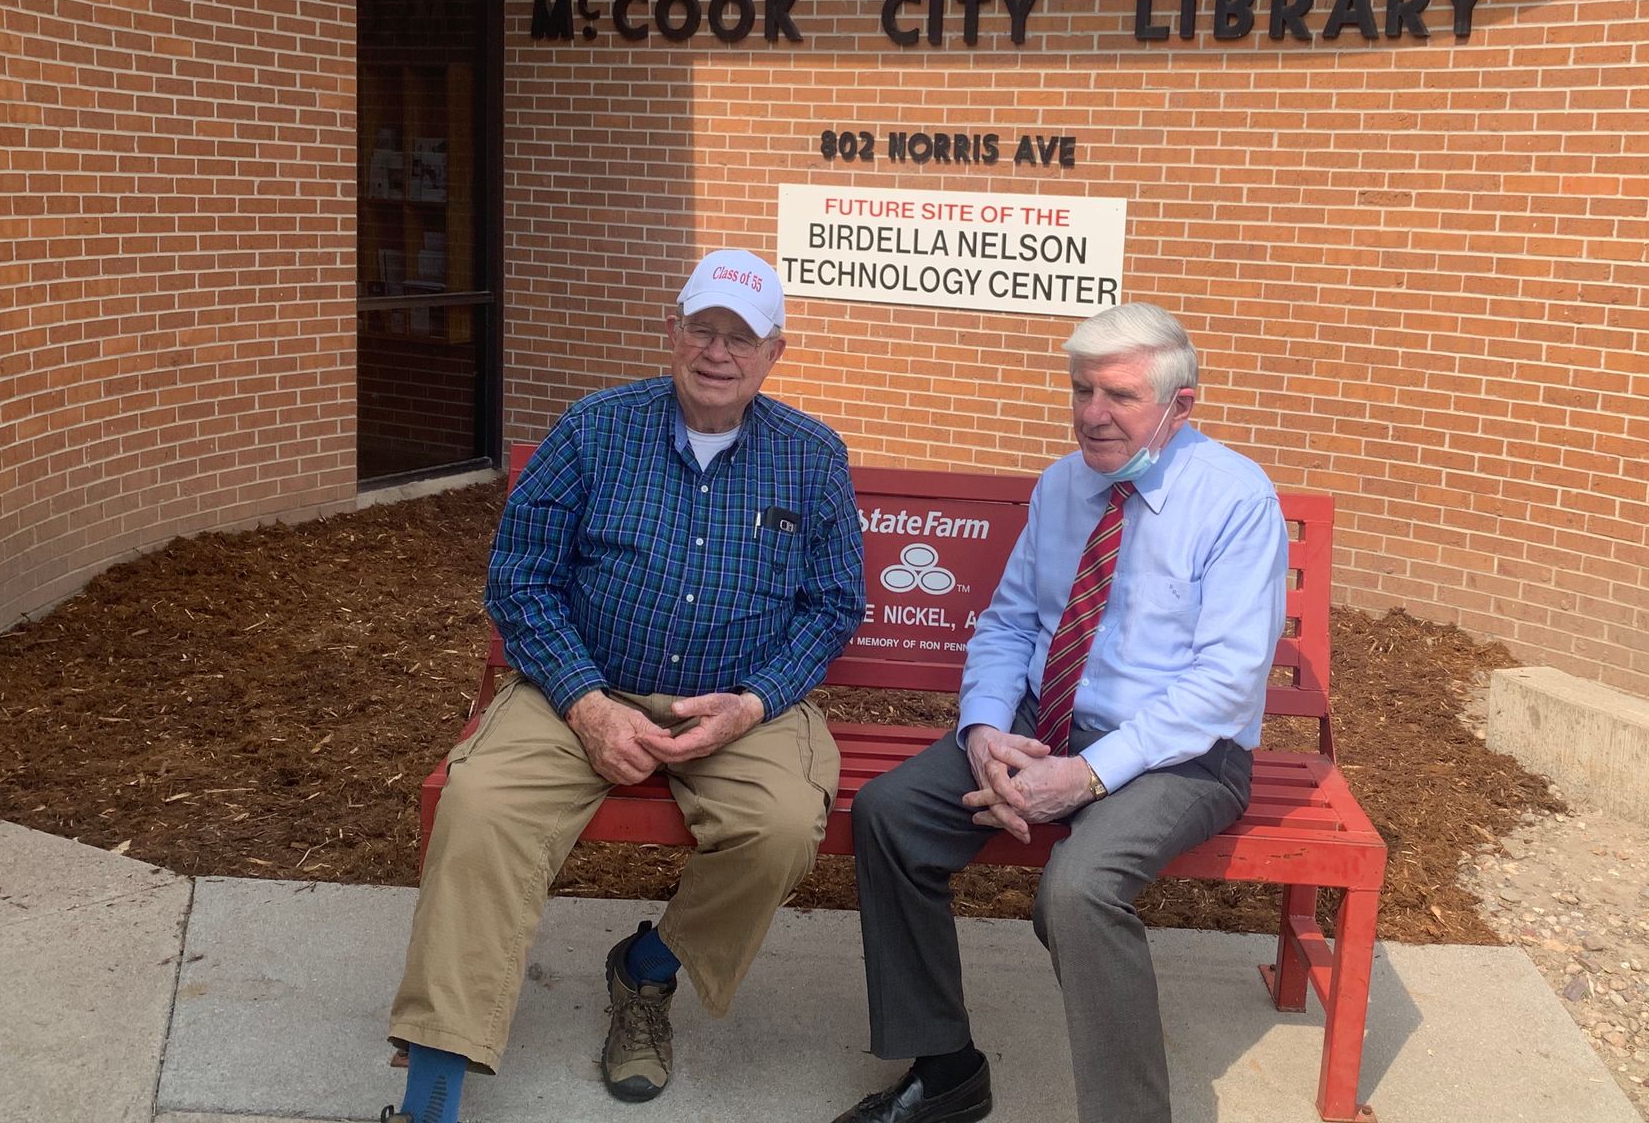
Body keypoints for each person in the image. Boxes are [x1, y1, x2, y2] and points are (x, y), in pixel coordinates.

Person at [380, 249, 865, 1123]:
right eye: (703, 329)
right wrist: (586, 702)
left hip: (740, 702)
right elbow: (520, 579)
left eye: (741, 338)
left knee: (782, 826)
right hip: (581, 685)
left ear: (774, 353)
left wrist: (753, 703)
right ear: (671, 332)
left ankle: (648, 970)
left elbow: (832, 608)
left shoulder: (811, 455)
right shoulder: (593, 429)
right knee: (482, 807)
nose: (718, 352)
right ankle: (432, 1094)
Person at [830, 303, 1288, 1123]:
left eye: (1119, 396)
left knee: (1077, 891)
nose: (1092, 414)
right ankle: (946, 1071)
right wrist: (983, 731)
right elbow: (1011, 623)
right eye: (1082, 390)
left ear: (1181, 405)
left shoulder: (1235, 500)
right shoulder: (1062, 484)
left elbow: (1225, 682)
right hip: (1046, 723)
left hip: (1184, 754)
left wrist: (1085, 776)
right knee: (891, 815)